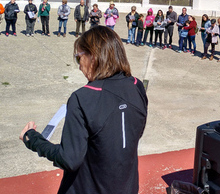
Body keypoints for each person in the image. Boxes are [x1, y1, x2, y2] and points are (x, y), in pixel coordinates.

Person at [20, 25, 148, 194]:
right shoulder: (137, 86)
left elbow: (69, 159)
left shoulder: (82, 98)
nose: (79, 65)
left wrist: (33, 139)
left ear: (93, 57)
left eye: (78, 57)